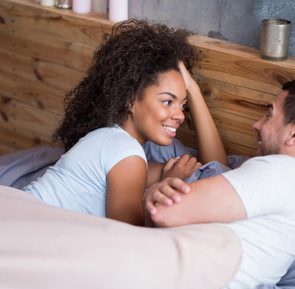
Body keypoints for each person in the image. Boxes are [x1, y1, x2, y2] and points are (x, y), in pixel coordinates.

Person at [22, 19, 227, 225]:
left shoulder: (115, 144)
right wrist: (166, 185)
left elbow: (217, 170)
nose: (180, 115)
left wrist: (193, 88)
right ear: (130, 100)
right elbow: (128, 238)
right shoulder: (126, 152)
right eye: (167, 101)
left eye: (183, 105)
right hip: (27, 224)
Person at [144, 80, 295, 289]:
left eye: (269, 115)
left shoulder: (282, 170)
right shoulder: (269, 180)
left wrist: (158, 188)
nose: (256, 124)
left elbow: (162, 212)